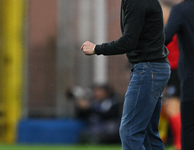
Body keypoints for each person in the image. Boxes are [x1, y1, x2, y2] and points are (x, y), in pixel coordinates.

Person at [80, 0, 171, 149]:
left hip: (148, 69)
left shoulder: (136, 2)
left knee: (130, 131)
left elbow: (128, 42)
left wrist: (96, 48)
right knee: (148, 133)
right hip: (153, 68)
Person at [164, 0, 194, 149]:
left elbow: (165, 38)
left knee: (181, 114)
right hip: (176, 72)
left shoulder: (180, 13)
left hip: (182, 73)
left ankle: (179, 143)